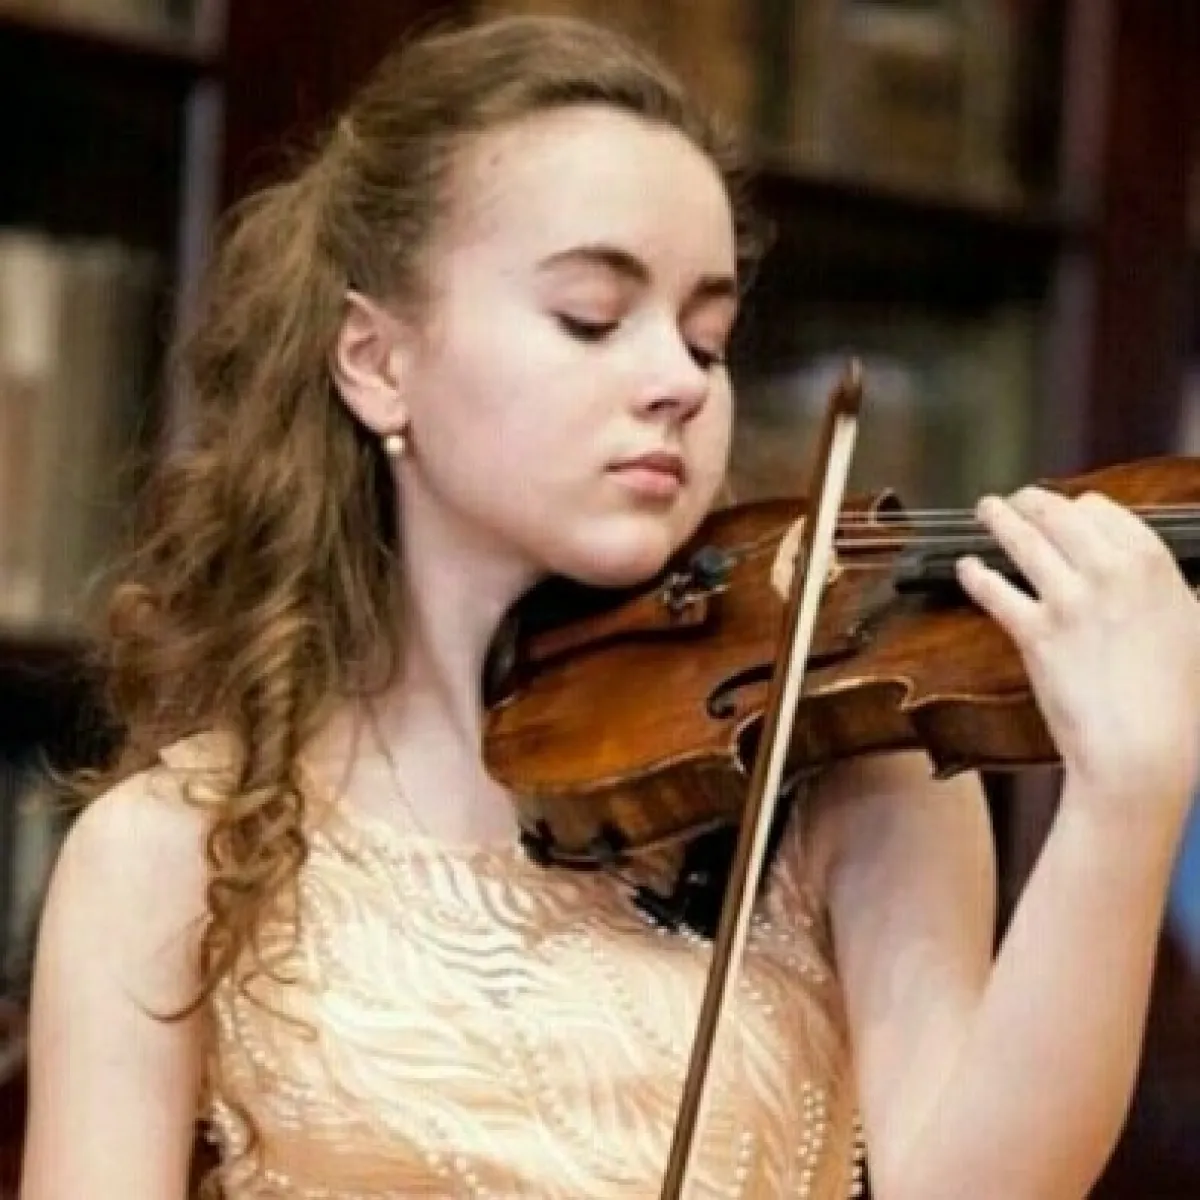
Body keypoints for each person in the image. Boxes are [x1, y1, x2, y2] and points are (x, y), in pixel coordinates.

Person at [18, 13, 1200, 1200]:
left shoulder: (844, 775)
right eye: (592, 316)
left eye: (709, 339)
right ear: (377, 362)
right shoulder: (169, 850)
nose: (679, 381)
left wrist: (1127, 801)